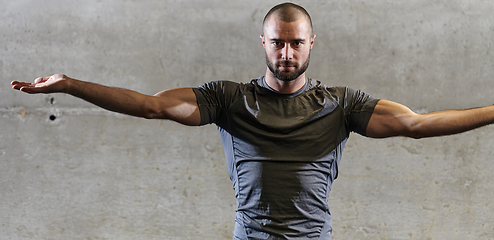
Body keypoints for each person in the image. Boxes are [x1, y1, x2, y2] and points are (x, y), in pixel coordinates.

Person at [10, 2, 494, 240]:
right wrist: (71, 84)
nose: (286, 52)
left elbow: (417, 124)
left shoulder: (342, 104)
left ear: (311, 43)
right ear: (263, 43)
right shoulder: (228, 100)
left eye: (296, 43)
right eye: (277, 42)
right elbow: (152, 105)